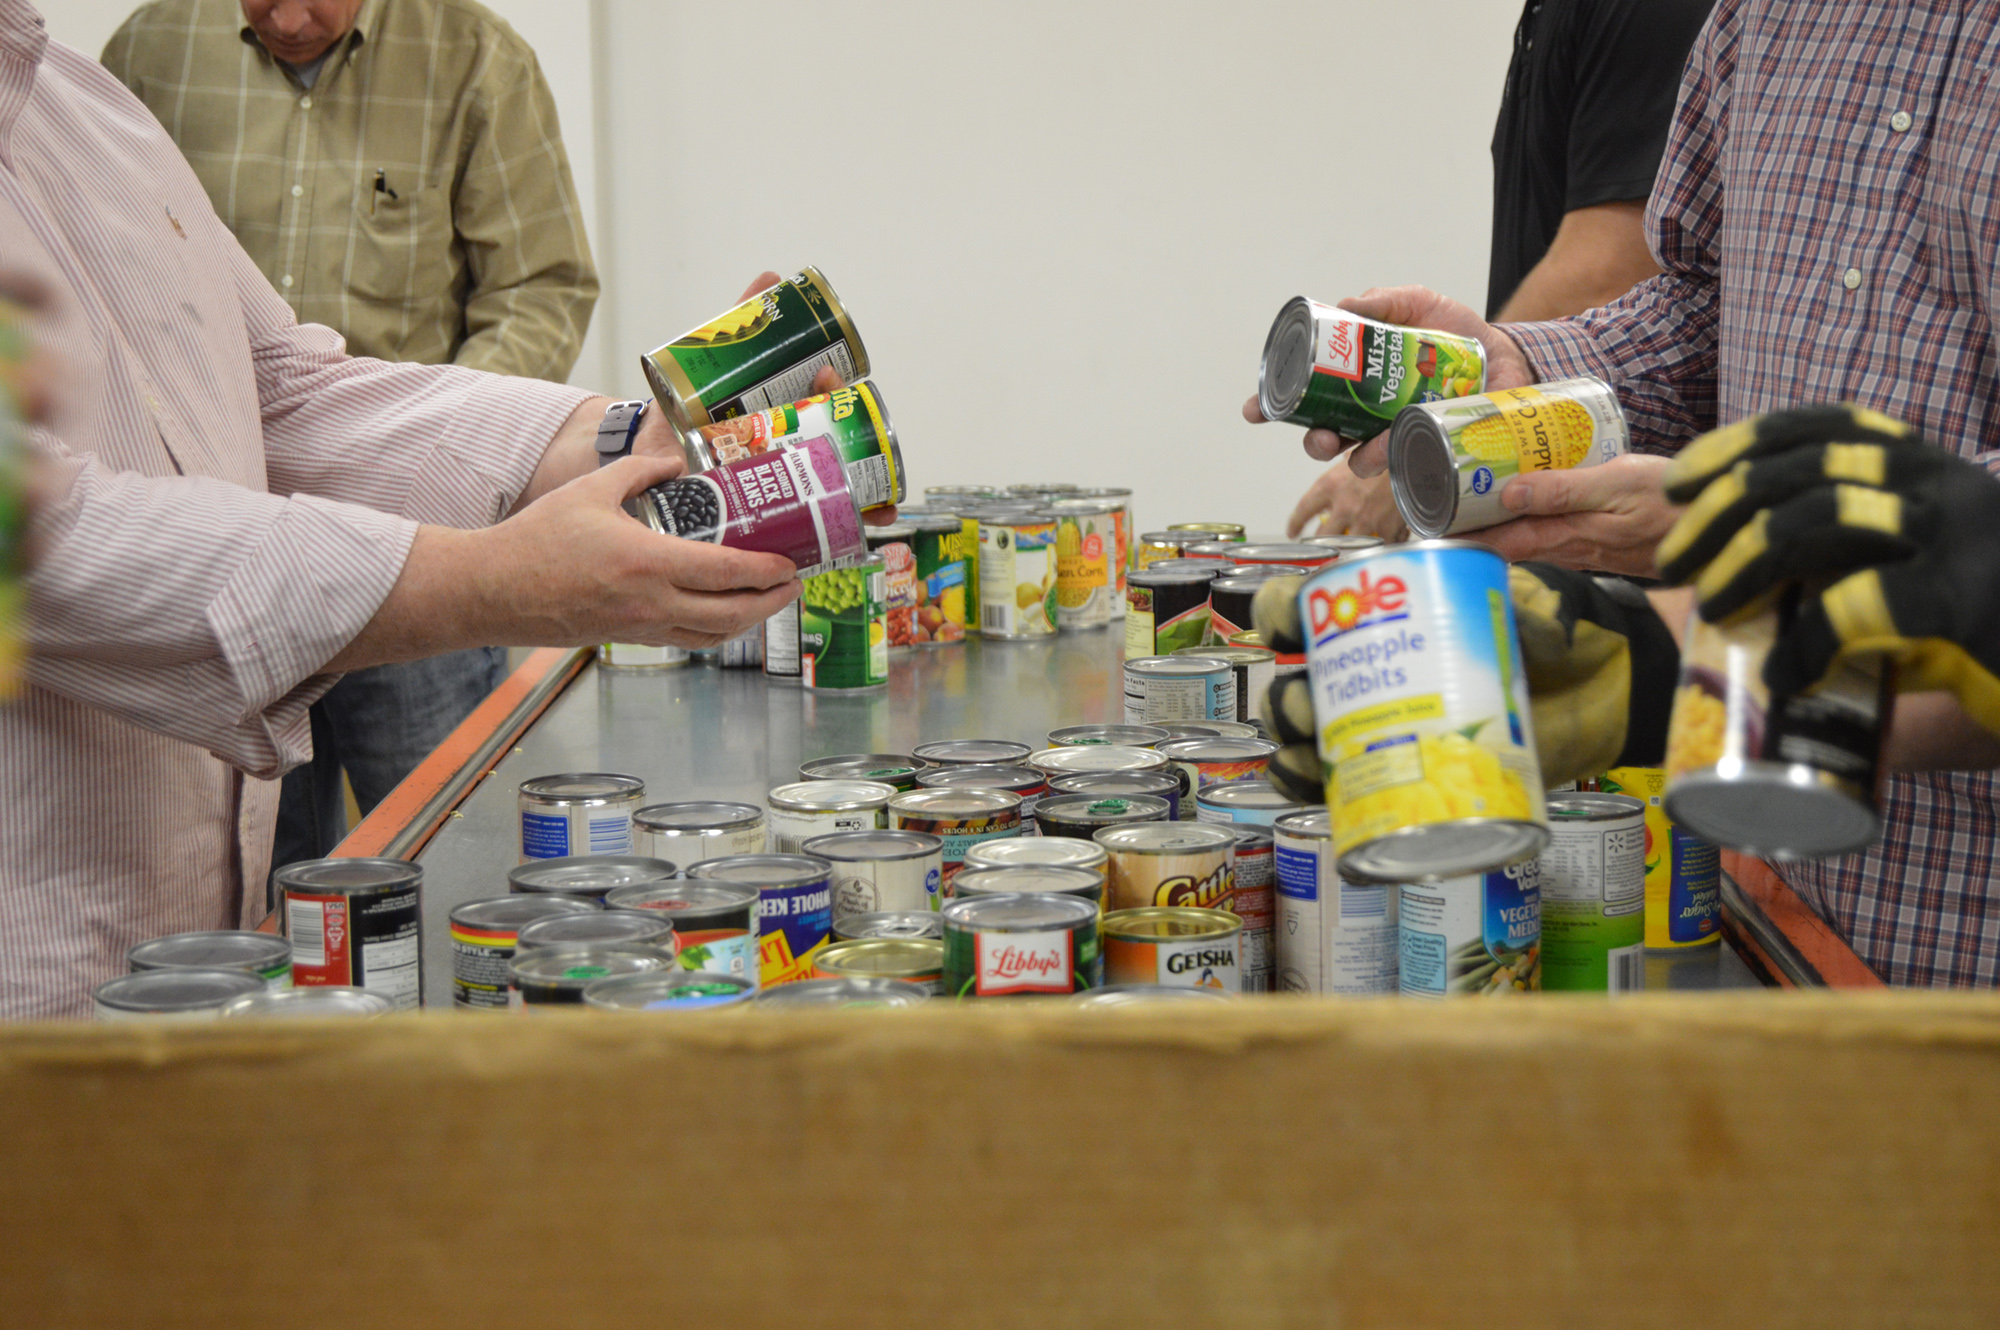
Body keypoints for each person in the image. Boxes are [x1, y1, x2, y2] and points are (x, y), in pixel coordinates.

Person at [0, 2, 838, 1018]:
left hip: (184, 959)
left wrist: (615, 440)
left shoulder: (80, 105)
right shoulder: (141, 57)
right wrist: (490, 579)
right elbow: (39, 529)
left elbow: (283, 395)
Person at [1251, 0, 2000, 987]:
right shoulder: (1764, 15)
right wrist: (1519, 372)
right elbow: (1703, 296)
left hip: (1960, 934)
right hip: (1761, 902)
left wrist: (1681, 632)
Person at [103, 0, 601, 867]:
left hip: (416, 546)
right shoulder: (150, 51)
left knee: (451, 862)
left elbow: (540, 288)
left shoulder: (476, 59)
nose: (289, 17)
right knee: (256, 881)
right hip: (225, 546)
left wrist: (462, 444)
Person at [1274, 0, 1712, 541]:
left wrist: (1436, 446)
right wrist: (1497, 365)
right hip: (1555, 481)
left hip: (1629, 522)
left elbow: (1612, 263)